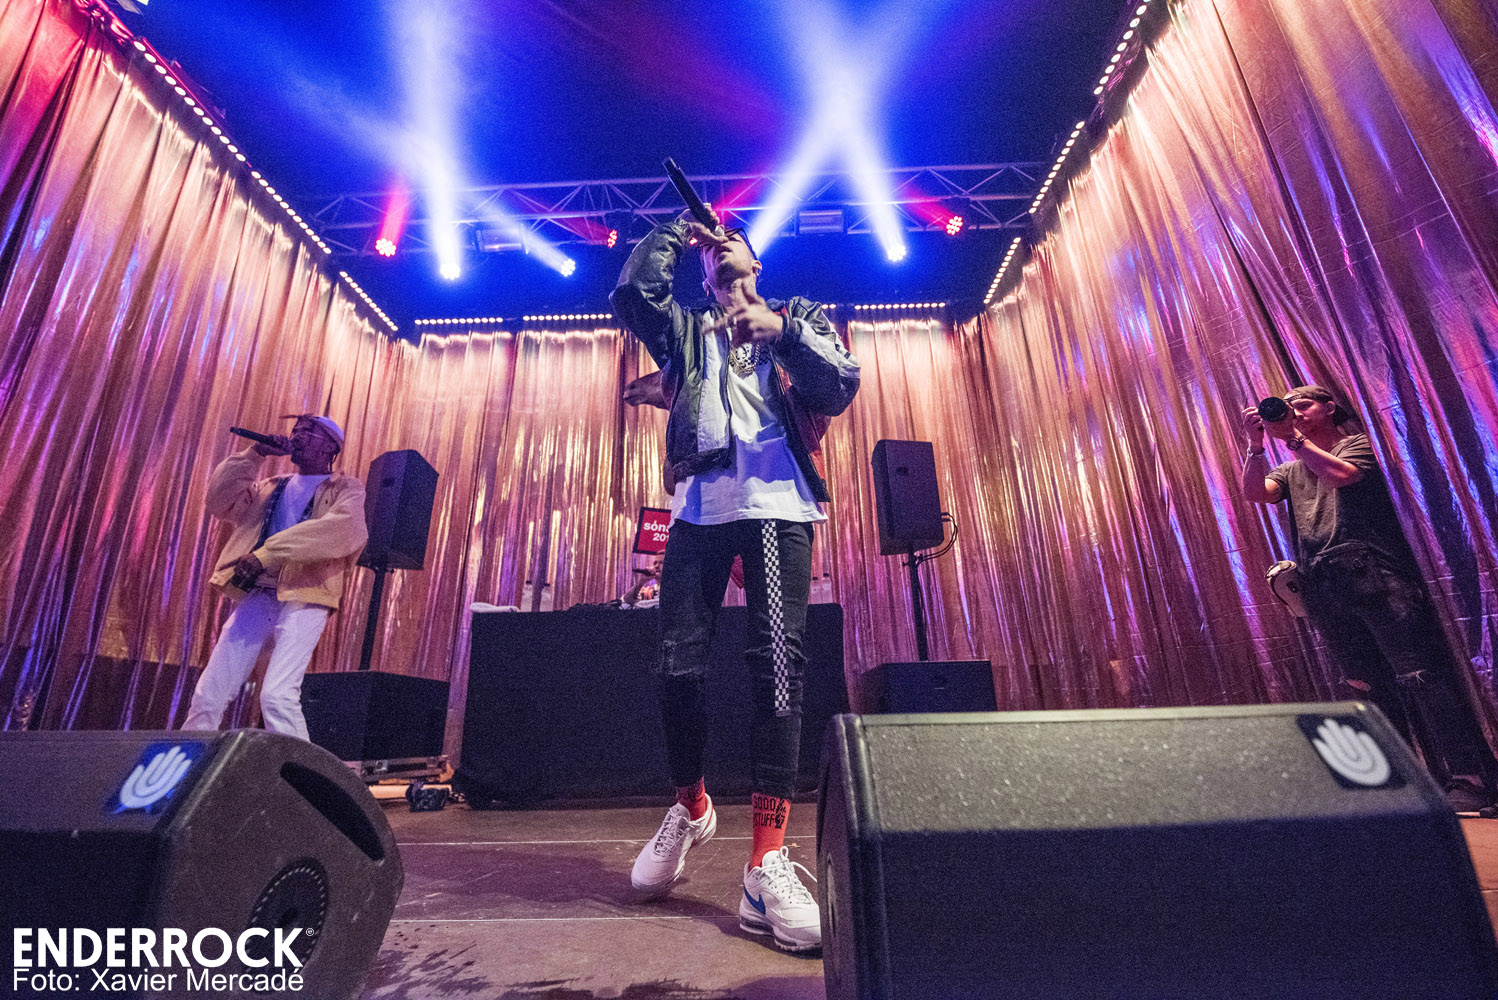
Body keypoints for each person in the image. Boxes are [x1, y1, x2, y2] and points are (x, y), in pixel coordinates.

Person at [610, 206, 859, 951]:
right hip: (699, 511)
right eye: (709, 245)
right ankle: (691, 808)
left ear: (756, 260)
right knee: (675, 668)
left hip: (779, 508)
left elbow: (840, 383)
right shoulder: (687, 331)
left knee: (779, 671)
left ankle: (764, 864)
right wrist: (673, 232)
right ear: (703, 267)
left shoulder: (799, 315)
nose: (721, 247)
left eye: (733, 239)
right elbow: (633, 295)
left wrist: (780, 332)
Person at [1240, 385, 1498, 811]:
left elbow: (1342, 475)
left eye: (1303, 404)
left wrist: (1293, 438)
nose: (1294, 412)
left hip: (1374, 574)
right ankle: (1394, 781)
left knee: (1420, 677)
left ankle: (1470, 779)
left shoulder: (1357, 444)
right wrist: (1254, 446)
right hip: (1324, 583)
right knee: (1365, 686)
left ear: (1329, 408)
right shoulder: (1290, 469)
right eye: (1287, 408)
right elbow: (1256, 494)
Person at [182, 415, 368, 741]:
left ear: (331, 447)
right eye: (296, 430)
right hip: (261, 593)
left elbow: (342, 530)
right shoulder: (271, 486)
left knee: (277, 697)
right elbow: (218, 501)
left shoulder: (345, 489)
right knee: (209, 693)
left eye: (308, 431)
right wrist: (254, 454)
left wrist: (266, 554)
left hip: (306, 594)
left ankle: (302, 772)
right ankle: (188, 761)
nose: (297, 435)